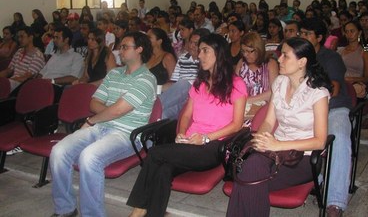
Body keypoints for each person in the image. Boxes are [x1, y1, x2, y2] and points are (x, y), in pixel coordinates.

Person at [126, 33, 247, 217]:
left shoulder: (236, 84)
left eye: (205, 51)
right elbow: (186, 115)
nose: (199, 56)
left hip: (214, 146)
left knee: (156, 154)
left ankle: (137, 212)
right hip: (189, 142)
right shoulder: (200, 83)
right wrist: (181, 133)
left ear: (219, 53)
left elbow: (237, 124)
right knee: (163, 170)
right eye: (200, 51)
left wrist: (205, 138)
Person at [49, 32, 157, 217]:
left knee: (89, 157)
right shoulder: (114, 73)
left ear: (139, 49)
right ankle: (65, 208)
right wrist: (112, 110)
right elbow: (94, 103)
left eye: (125, 47)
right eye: (120, 46)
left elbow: (117, 110)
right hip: (101, 127)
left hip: (126, 135)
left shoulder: (147, 79)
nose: (119, 51)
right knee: (59, 151)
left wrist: (94, 119)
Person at [226, 37, 331, 217]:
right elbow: (268, 121)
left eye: (285, 56)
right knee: (251, 168)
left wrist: (277, 145)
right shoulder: (280, 83)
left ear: (302, 62)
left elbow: (320, 142)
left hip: (302, 158)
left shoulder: (318, 93)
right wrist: (262, 138)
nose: (279, 59)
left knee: (247, 179)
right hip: (274, 149)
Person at [300, 18, 352, 216]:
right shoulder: (297, 57)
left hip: (333, 108)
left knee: (338, 137)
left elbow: (335, 90)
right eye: (301, 33)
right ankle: (310, 180)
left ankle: (335, 201)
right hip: (305, 109)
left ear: (319, 38)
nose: (302, 37)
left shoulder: (330, 58)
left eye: (307, 34)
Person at [159, 28, 210, 120]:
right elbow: (174, 83)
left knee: (185, 83)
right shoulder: (183, 58)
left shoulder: (207, 61)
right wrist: (156, 89)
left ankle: (152, 107)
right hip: (179, 96)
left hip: (195, 97)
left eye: (196, 44)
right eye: (190, 42)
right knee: (162, 114)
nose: (191, 46)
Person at [236, 32, 278, 117]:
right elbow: (234, 88)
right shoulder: (241, 63)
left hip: (264, 108)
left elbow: (273, 92)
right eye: (243, 51)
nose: (245, 55)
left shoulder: (270, 64)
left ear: (258, 49)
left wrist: (248, 100)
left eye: (249, 51)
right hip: (243, 107)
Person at [38, 26, 84, 101]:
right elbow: (42, 72)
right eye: (54, 37)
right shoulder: (54, 56)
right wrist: (36, 82)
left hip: (56, 88)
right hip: (43, 85)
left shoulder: (76, 57)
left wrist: (52, 81)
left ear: (66, 40)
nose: (54, 40)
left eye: (57, 38)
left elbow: (74, 78)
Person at [0, 26, 45, 91]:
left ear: (31, 37)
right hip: (12, 82)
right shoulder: (19, 51)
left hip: (23, 86)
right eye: (18, 37)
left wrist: (7, 81)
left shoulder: (37, 55)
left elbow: (27, 78)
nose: (19, 39)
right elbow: (8, 70)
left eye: (22, 36)